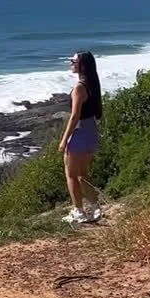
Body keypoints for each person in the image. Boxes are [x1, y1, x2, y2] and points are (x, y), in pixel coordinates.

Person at [59, 50, 103, 224]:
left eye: (73, 61)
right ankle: (96, 206)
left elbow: (74, 116)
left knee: (71, 175)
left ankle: (78, 211)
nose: (71, 63)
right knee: (83, 174)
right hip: (91, 131)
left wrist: (64, 140)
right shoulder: (92, 84)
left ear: (81, 65)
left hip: (79, 134)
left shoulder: (79, 87)